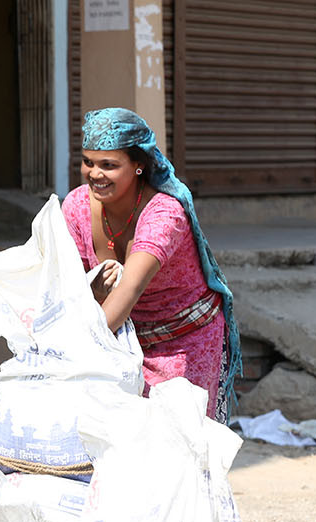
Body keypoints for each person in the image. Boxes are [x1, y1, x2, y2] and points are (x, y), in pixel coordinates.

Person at [62, 107, 242, 421]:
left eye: (109, 165)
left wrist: (69, 353)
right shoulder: (76, 206)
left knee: (180, 448)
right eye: (88, 162)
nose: (94, 174)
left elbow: (128, 289)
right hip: (120, 341)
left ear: (139, 167)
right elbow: (65, 286)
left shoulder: (164, 214)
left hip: (185, 342)